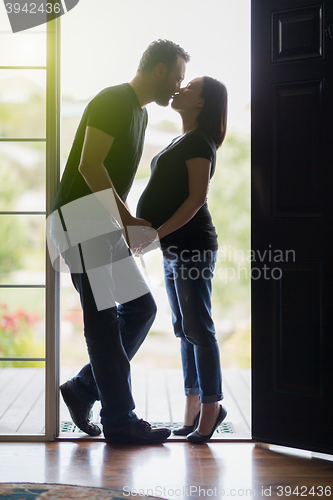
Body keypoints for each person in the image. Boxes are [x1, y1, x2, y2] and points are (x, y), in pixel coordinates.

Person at [49, 40, 190, 445]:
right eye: (176, 77)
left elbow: (110, 178)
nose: (177, 86)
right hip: (78, 220)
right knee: (103, 321)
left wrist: (122, 223)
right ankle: (120, 421)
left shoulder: (140, 115)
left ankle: (83, 389)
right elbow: (89, 165)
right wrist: (128, 221)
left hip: (102, 225)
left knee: (141, 308)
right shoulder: (114, 100)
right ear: (159, 70)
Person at [136, 76, 228, 443]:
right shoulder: (182, 138)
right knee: (184, 328)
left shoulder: (200, 143)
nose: (180, 89)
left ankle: (211, 410)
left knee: (199, 329)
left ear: (202, 102)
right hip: (175, 248)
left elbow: (195, 200)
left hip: (192, 247)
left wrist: (155, 235)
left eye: (189, 87)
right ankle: (192, 407)